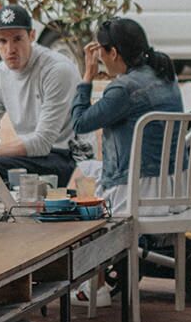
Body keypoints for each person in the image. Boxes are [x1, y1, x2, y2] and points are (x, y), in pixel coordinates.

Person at [73, 16, 185, 209]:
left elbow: (80, 123)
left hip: (137, 191)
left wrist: (87, 77)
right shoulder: (165, 75)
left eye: (100, 51)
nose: (99, 58)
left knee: (81, 176)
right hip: (176, 185)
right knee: (86, 169)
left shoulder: (123, 89)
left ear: (114, 53)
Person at [0, 3, 80, 182]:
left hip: (66, 156)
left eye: (17, 39)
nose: (10, 49)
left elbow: (42, 143)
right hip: (29, 156)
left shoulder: (56, 70)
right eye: (3, 41)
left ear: (32, 36)